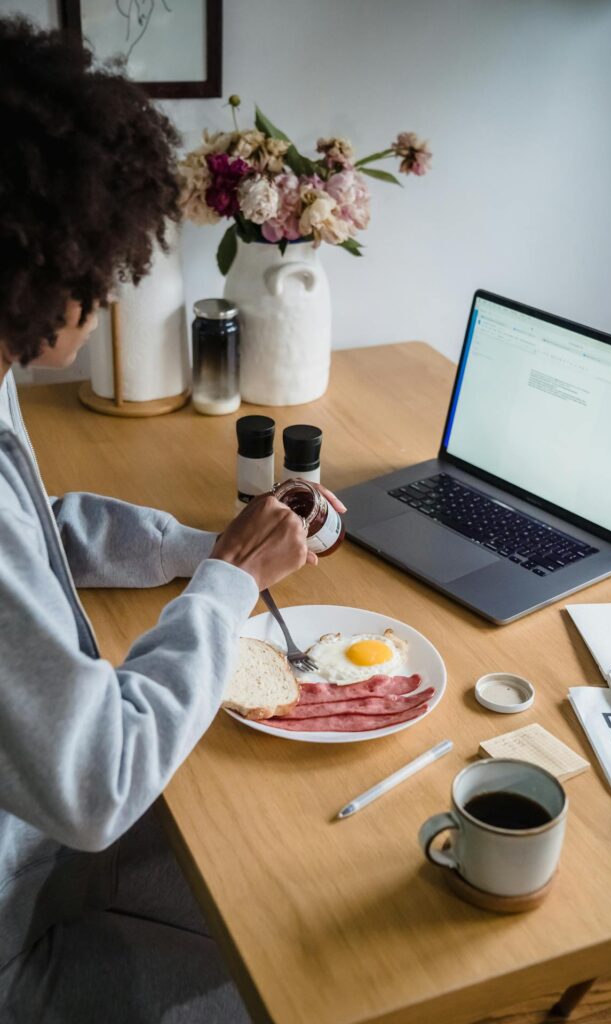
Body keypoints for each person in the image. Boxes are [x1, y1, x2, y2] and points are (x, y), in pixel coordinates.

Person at [0, 16, 345, 1022]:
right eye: (102, 275)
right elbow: (97, 783)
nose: (107, 302)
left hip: (35, 838)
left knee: (265, 838)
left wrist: (215, 548)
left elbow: (42, 529)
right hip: (18, 945)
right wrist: (227, 584)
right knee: (310, 980)